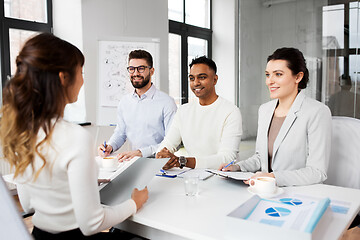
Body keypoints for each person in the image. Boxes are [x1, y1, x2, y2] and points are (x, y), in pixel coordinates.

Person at [0, 33, 148, 239]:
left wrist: (78, 183)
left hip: (41, 234)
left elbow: (28, 203)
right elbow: (92, 223)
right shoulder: (75, 137)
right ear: (63, 77)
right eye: (81, 71)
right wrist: (135, 203)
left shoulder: (22, 130)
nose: (83, 79)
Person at [219, 47, 332, 187]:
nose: (269, 81)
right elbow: (261, 158)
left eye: (278, 74)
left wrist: (273, 177)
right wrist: (238, 167)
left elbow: (317, 171)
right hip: (266, 190)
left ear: (298, 77)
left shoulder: (317, 112)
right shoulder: (265, 110)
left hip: (300, 194)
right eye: (267, 75)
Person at [156, 56, 242, 169]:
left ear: (215, 80)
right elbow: (168, 143)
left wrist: (183, 161)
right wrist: (162, 157)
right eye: (192, 78)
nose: (196, 83)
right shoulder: (183, 111)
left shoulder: (231, 111)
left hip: (222, 176)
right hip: (193, 176)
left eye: (202, 77)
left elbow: (227, 158)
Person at [98, 50, 177, 161]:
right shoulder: (124, 102)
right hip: (133, 162)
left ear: (152, 71)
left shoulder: (167, 103)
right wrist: (110, 147)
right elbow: (120, 133)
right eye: (132, 69)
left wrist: (140, 153)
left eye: (141, 68)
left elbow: (172, 142)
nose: (135, 73)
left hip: (159, 163)